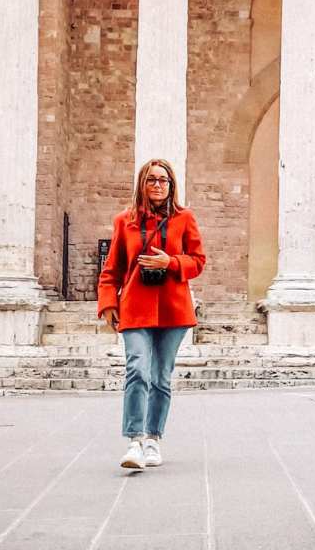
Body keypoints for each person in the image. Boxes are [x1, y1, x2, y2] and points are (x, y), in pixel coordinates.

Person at [97, 158, 205, 470]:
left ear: (172, 186)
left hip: (173, 309)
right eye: (152, 180)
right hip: (135, 306)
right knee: (137, 370)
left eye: (164, 180)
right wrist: (108, 304)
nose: (158, 185)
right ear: (142, 184)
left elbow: (198, 260)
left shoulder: (184, 219)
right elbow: (112, 269)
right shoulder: (125, 221)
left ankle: (154, 439)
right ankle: (134, 440)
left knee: (160, 377)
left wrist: (169, 263)